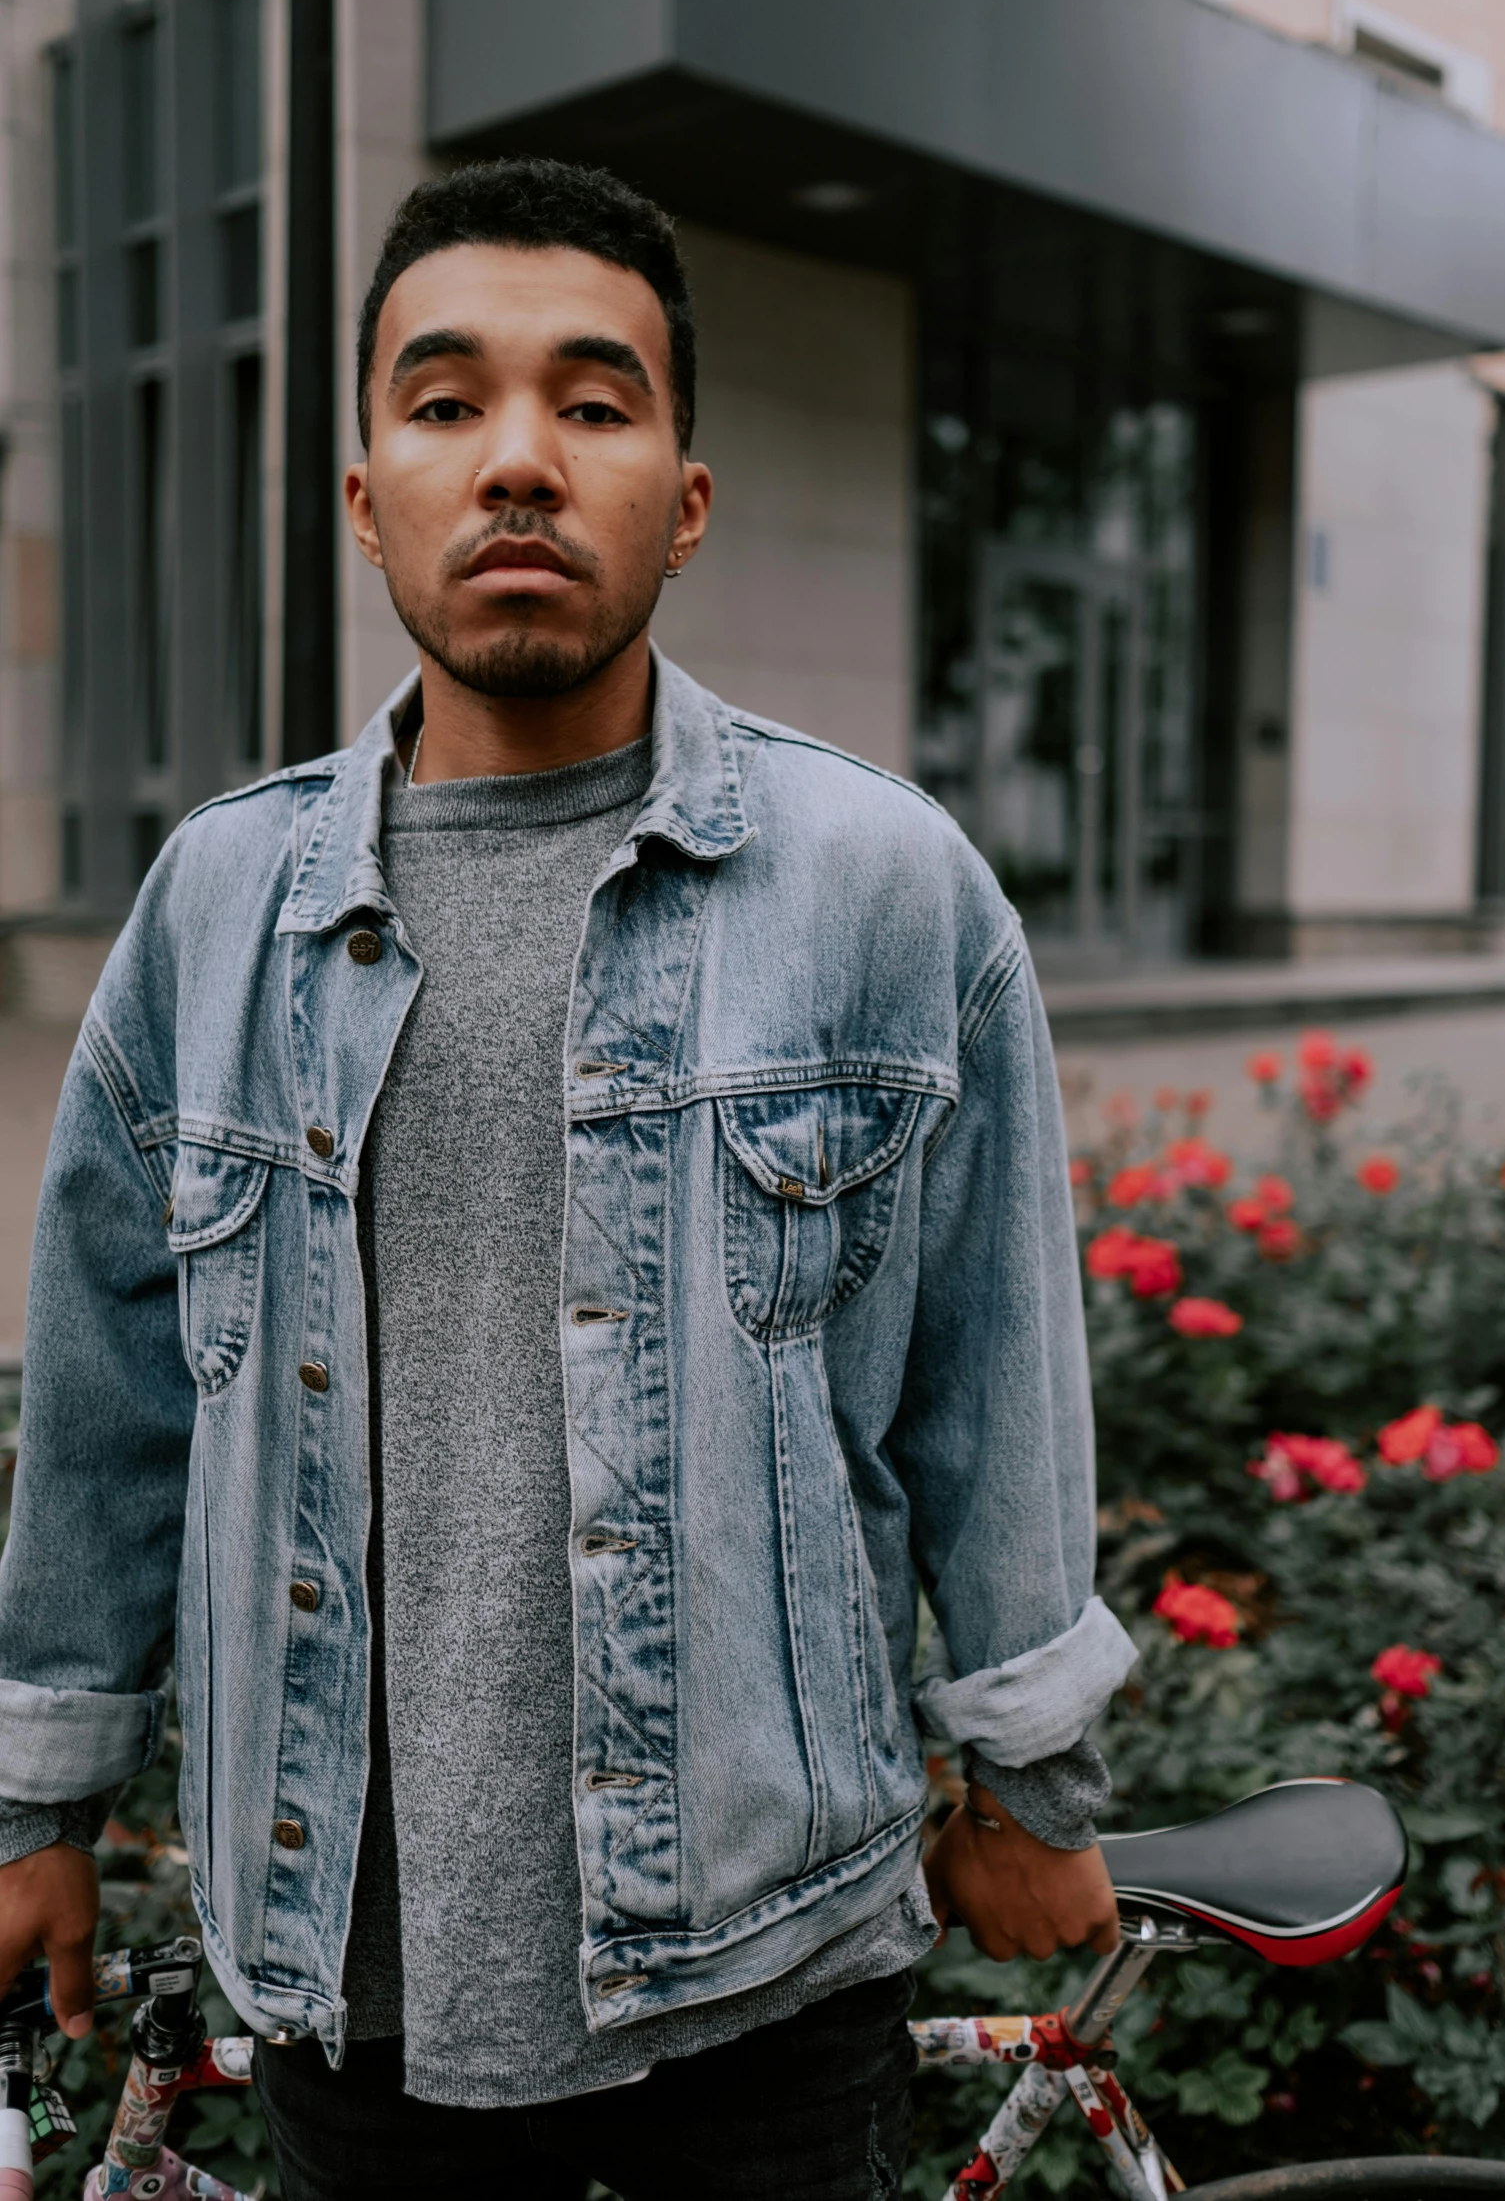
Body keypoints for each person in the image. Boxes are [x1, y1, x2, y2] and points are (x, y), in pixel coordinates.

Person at [0, 159, 1136, 2200]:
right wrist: (37, 1796)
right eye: (445, 404)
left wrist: (1033, 1778)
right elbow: (108, 1393)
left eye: (595, 403)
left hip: (768, 1965)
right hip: (352, 1970)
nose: (519, 458)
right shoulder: (217, 909)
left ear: (684, 496)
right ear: (366, 496)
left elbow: (997, 1375)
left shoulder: (884, 890)